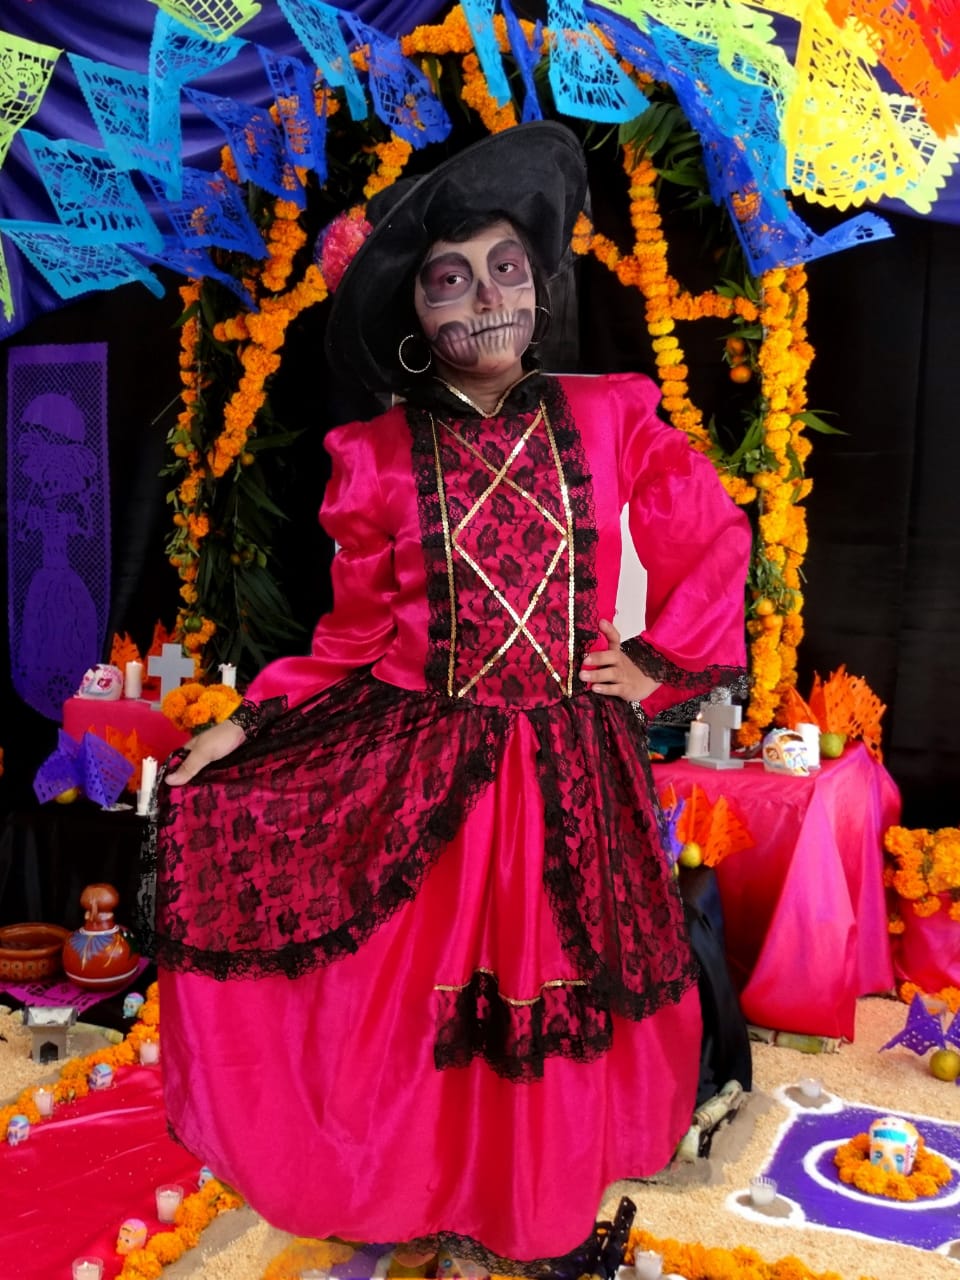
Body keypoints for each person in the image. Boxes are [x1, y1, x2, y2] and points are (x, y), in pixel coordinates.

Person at [143, 121, 751, 1268]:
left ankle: (537, 1209)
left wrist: (659, 660)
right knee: (421, 1000)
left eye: (505, 267)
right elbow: (350, 639)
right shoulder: (376, 454)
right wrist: (247, 723)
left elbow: (710, 528)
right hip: (433, 770)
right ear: (414, 314)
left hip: (568, 769)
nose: (486, 297)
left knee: (549, 989)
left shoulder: (609, 413)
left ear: (539, 282)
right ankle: (432, 1187)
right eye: (449, 279)